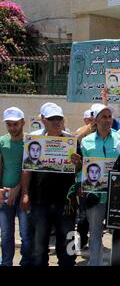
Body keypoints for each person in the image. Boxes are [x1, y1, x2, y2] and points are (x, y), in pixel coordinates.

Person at [20, 104, 80, 266]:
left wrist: (77, 163)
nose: (56, 122)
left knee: (68, 243)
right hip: (40, 201)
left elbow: (79, 170)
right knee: (38, 246)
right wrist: (25, 193)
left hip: (67, 202)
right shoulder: (34, 141)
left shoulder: (72, 141)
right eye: (51, 119)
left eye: (59, 118)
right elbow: (27, 170)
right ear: (43, 121)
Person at [77, 104, 120, 266]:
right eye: (103, 116)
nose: (107, 120)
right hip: (94, 195)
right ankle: (94, 263)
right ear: (95, 120)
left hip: (117, 196)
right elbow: (81, 167)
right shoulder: (86, 142)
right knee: (95, 232)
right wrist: (79, 185)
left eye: (109, 116)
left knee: (118, 233)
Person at [0, 107, 32, 266]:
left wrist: (18, 189)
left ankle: (25, 262)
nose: (13, 128)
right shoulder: (2, 142)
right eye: (9, 125)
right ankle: (6, 263)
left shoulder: (30, 142)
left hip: (25, 193)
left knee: (26, 234)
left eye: (16, 124)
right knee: (6, 234)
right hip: (5, 193)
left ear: (23, 123)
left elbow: (29, 169)